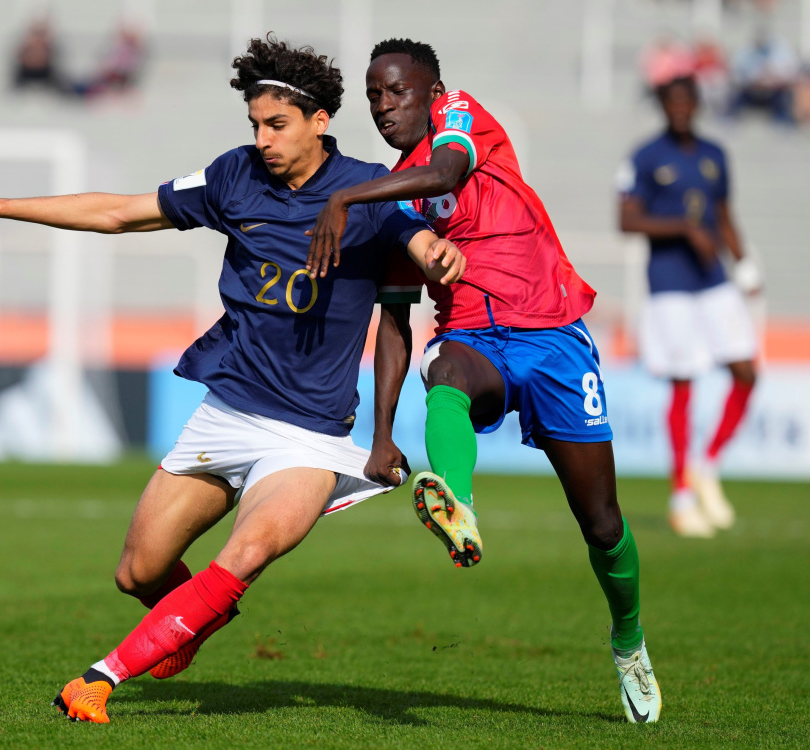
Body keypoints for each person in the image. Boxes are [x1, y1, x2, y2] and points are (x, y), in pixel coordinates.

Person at [0, 35, 465, 724]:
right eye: (255, 125)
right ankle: (197, 615)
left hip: (310, 437)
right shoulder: (234, 176)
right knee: (139, 572)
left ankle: (98, 681)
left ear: (320, 120)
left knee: (249, 549)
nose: (263, 140)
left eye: (277, 125)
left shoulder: (367, 190)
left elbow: (420, 243)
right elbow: (119, 212)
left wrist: (438, 254)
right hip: (228, 413)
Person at [306, 38, 661, 724]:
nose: (384, 106)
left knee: (602, 523)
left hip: (554, 337)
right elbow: (394, 321)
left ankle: (629, 641)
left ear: (434, 92)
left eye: (397, 91)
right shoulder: (394, 206)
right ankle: (458, 506)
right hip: (474, 339)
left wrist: (345, 194)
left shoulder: (461, 119)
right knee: (443, 371)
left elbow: (444, 172)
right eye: (374, 96)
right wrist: (381, 435)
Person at [618, 75, 760, 538]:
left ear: (696, 104)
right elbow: (626, 220)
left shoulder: (714, 154)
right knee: (684, 384)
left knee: (746, 370)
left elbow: (724, 214)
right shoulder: (645, 157)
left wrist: (743, 264)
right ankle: (681, 496)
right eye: (671, 102)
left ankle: (707, 463)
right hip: (670, 285)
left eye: (686, 101)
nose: (679, 108)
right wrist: (683, 227)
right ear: (662, 106)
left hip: (713, 278)